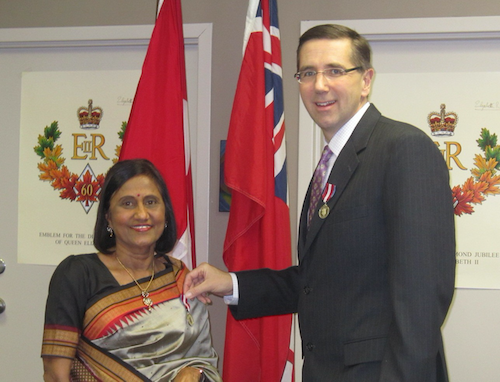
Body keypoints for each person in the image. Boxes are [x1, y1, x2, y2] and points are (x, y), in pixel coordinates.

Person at [184, 24, 456, 381]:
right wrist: (231, 284)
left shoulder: (403, 149)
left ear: (366, 80)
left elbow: (422, 298)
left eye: (335, 71)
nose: (320, 85)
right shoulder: (332, 163)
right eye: (308, 73)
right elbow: (319, 281)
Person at [41, 159, 221, 382]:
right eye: (127, 204)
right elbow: (55, 374)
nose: (142, 214)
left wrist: (194, 372)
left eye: (151, 202)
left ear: (165, 214)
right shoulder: (77, 274)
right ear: (108, 217)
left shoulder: (181, 278)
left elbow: (203, 361)